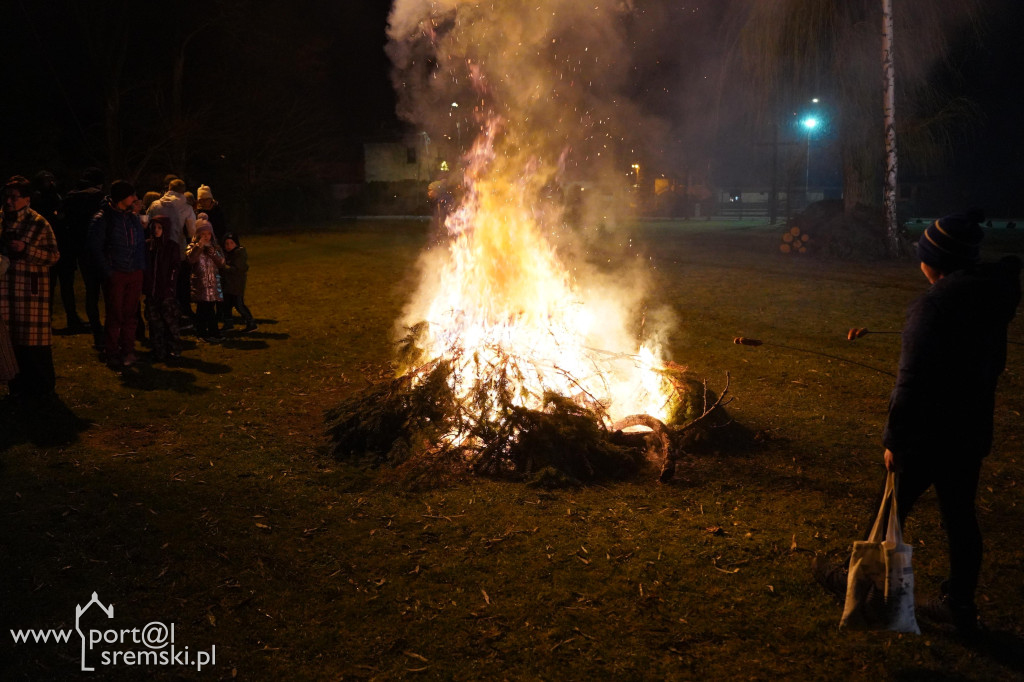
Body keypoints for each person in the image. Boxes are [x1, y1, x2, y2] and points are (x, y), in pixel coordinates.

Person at [815, 213, 1021, 637]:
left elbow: (912, 381)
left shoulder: (934, 305)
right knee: (960, 516)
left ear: (936, 260)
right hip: (969, 429)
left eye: (922, 254)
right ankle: (959, 603)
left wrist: (896, 439)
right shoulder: (988, 298)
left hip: (928, 434)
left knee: (890, 506)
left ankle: (861, 585)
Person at [0, 175, 61, 399]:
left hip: (30, 292)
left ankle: (42, 388)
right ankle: (16, 386)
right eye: (6, 197)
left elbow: (53, 256)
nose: (8, 202)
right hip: (5, 291)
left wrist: (26, 249)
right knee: (10, 343)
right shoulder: (0, 220)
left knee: (33, 344)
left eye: (14, 197)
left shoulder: (38, 223)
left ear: (26, 199)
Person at [89, 181, 147, 367]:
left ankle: (127, 349)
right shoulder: (103, 218)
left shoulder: (131, 218)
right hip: (117, 273)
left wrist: (140, 267)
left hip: (133, 272)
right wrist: (108, 271)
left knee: (131, 313)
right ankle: (112, 351)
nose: (135, 199)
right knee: (115, 314)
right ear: (122, 198)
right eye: (132, 195)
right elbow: (95, 249)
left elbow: (139, 244)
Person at [57, 167, 105, 342]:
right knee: (97, 287)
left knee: (79, 287)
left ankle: (83, 321)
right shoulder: (97, 196)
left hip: (71, 245)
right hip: (92, 245)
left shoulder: (70, 196)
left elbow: (62, 218)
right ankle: (100, 327)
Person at [142, 215, 181, 361]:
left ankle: (174, 348)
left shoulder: (171, 247)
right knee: (154, 322)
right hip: (152, 292)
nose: (156, 230)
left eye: (160, 227)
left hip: (165, 292)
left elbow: (174, 268)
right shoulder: (148, 246)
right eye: (154, 227)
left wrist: (170, 286)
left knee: (169, 321)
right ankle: (158, 349)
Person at [186, 218, 225, 342]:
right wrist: (199, 246)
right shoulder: (193, 246)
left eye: (208, 234)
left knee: (211, 309)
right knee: (202, 310)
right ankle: (202, 332)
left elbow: (221, 263)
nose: (206, 236)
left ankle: (214, 331)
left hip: (213, 284)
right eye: (203, 234)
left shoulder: (215, 247)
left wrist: (213, 252)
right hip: (200, 285)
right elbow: (191, 259)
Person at [218, 231, 256, 333]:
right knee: (226, 306)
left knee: (239, 305)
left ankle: (250, 322)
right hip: (227, 286)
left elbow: (237, 269)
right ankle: (228, 323)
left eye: (231, 243)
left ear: (236, 243)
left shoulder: (239, 254)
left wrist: (223, 267)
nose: (229, 246)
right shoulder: (225, 254)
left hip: (236, 286)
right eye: (226, 243)